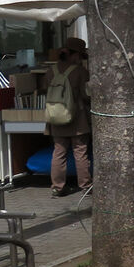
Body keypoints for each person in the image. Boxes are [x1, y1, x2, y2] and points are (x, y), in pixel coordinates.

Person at [47, 36, 92, 197]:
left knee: (59, 151)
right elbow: (86, 95)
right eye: (80, 56)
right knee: (80, 151)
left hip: (56, 117)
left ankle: (57, 187)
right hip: (77, 118)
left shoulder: (51, 71)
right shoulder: (80, 72)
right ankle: (85, 186)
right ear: (75, 55)